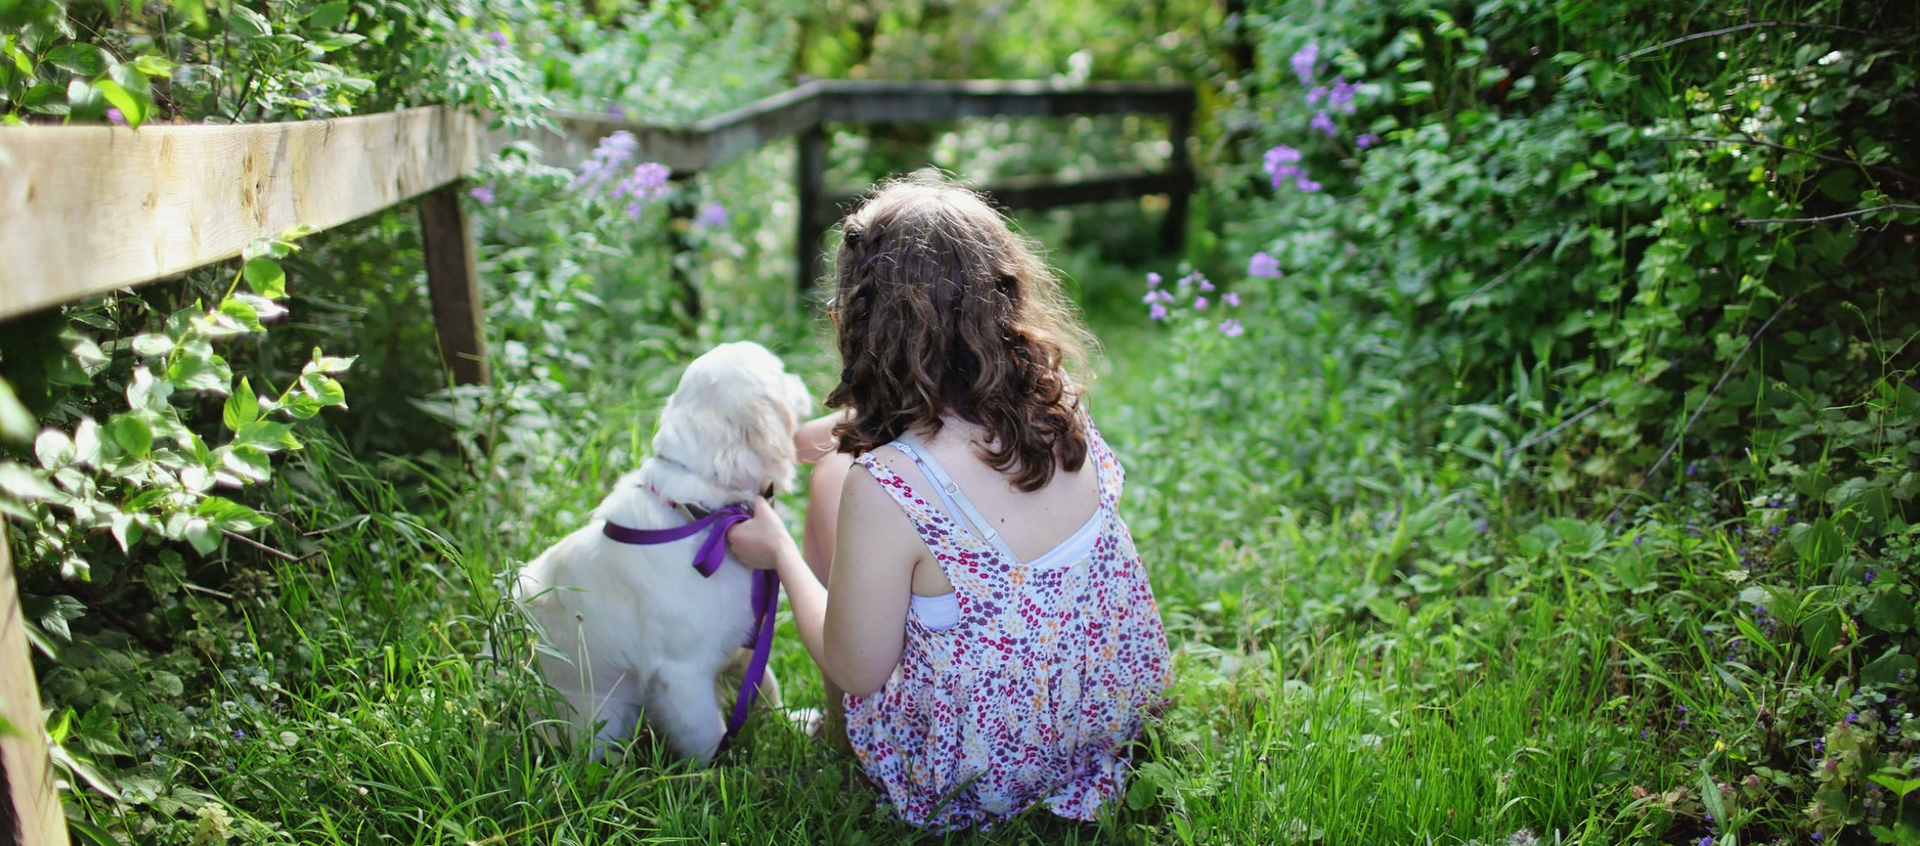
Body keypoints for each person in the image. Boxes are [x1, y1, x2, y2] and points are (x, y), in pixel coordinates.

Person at [725, 177, 1171, 830]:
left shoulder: (886, 485)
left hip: (976, 770)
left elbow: (858, 667)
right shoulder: (1060, 403)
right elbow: (944, 439)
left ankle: (842, 740)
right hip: (1107, 718)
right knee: (841, 470)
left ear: (856, 322)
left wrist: (781, 554)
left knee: (831, 481)